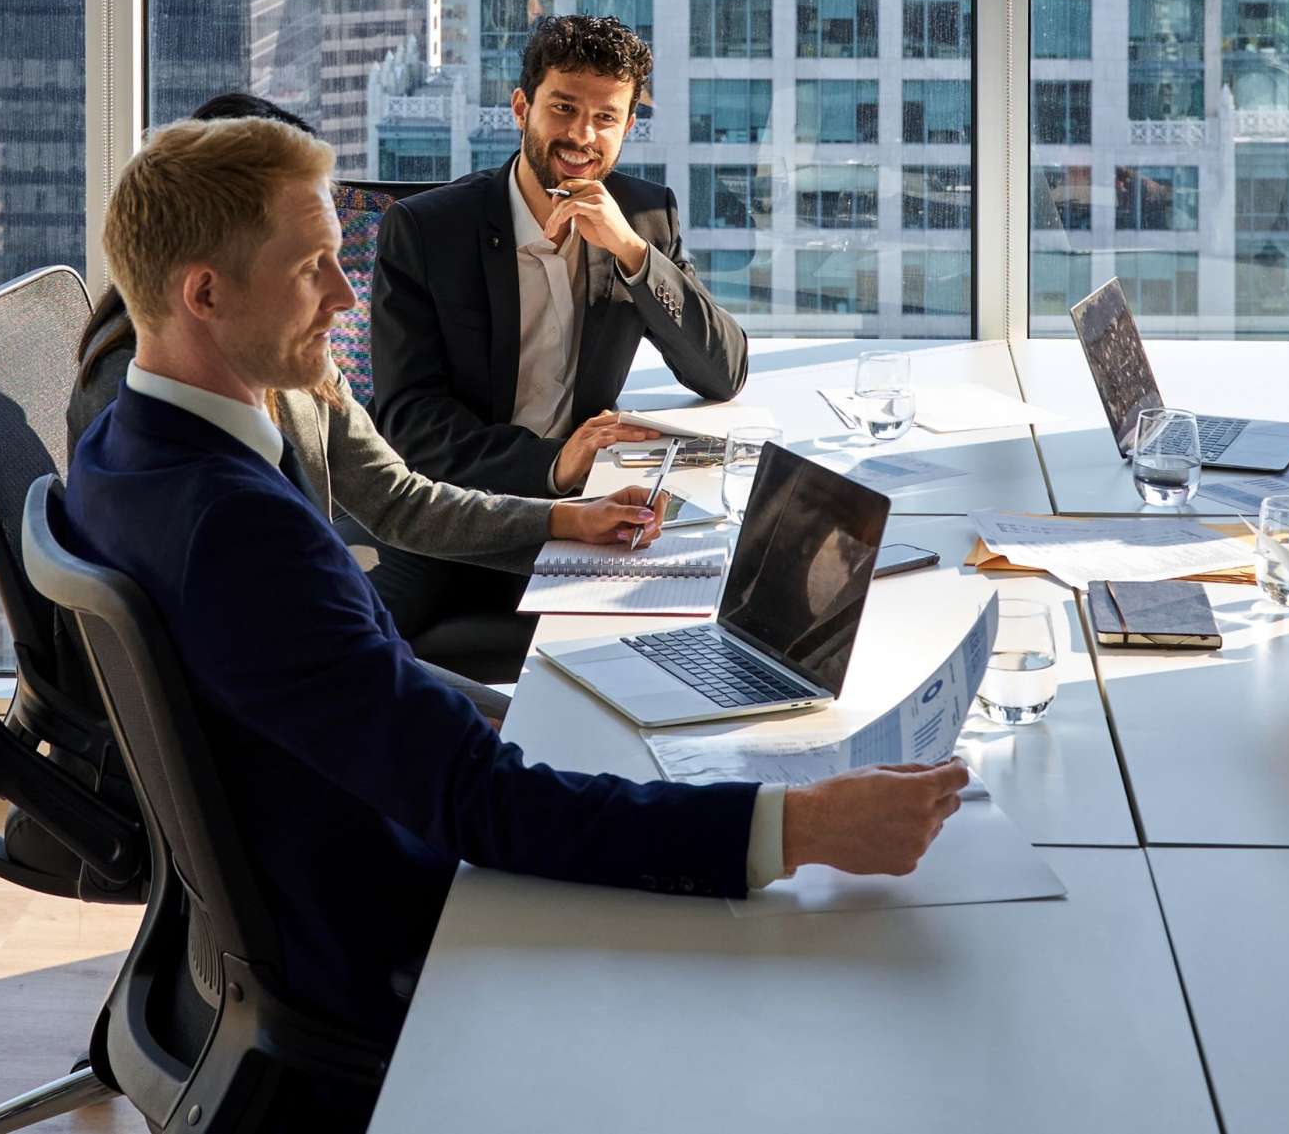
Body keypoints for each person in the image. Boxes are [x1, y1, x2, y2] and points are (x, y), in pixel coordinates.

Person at [56, 114, 964, 1042]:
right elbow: (477, 803)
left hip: (313, 870)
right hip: (390, 940)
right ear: (204, 293)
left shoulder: (121, 447)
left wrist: (539, 715)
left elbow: (372, 693)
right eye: (310, 268)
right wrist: (803, 827)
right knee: (820, 991)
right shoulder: (240, 532)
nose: (344, 293)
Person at [68, 91, 667, 692]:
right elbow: (271, 678)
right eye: (305, 263)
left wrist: (568, 520)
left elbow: (393, 497)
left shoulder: (287, 356)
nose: (345, 296)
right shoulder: (158, 427)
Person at [368, 14, 751, 661]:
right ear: (523, 107)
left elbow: (722, 370)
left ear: (629, 126)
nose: (581, 134)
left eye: (605, 117)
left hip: (583, 511)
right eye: (564, 108)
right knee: (364, 651)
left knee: (689, 624)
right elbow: (411, 423)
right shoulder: (427, 231)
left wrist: (631, 253)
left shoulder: (645, 216)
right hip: (457, 511)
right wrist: (551, 465)